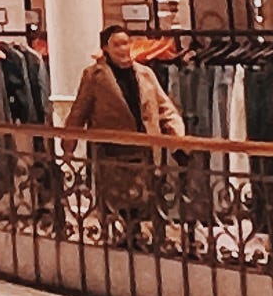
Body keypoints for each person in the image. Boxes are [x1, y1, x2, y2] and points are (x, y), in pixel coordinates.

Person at [60, 23, 185, 232]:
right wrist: (68, 146)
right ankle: (121, 238)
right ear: (105, 48)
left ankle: (145, 239)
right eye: (117, 44)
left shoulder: (145, 74)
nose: (123, 48)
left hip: (146, 150)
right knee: (118, 205)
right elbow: (79, 112)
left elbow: (165, 109)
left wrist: (178, 140)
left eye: (126, 43)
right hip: (113, 154)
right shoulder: (94, 76)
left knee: (148, 201)